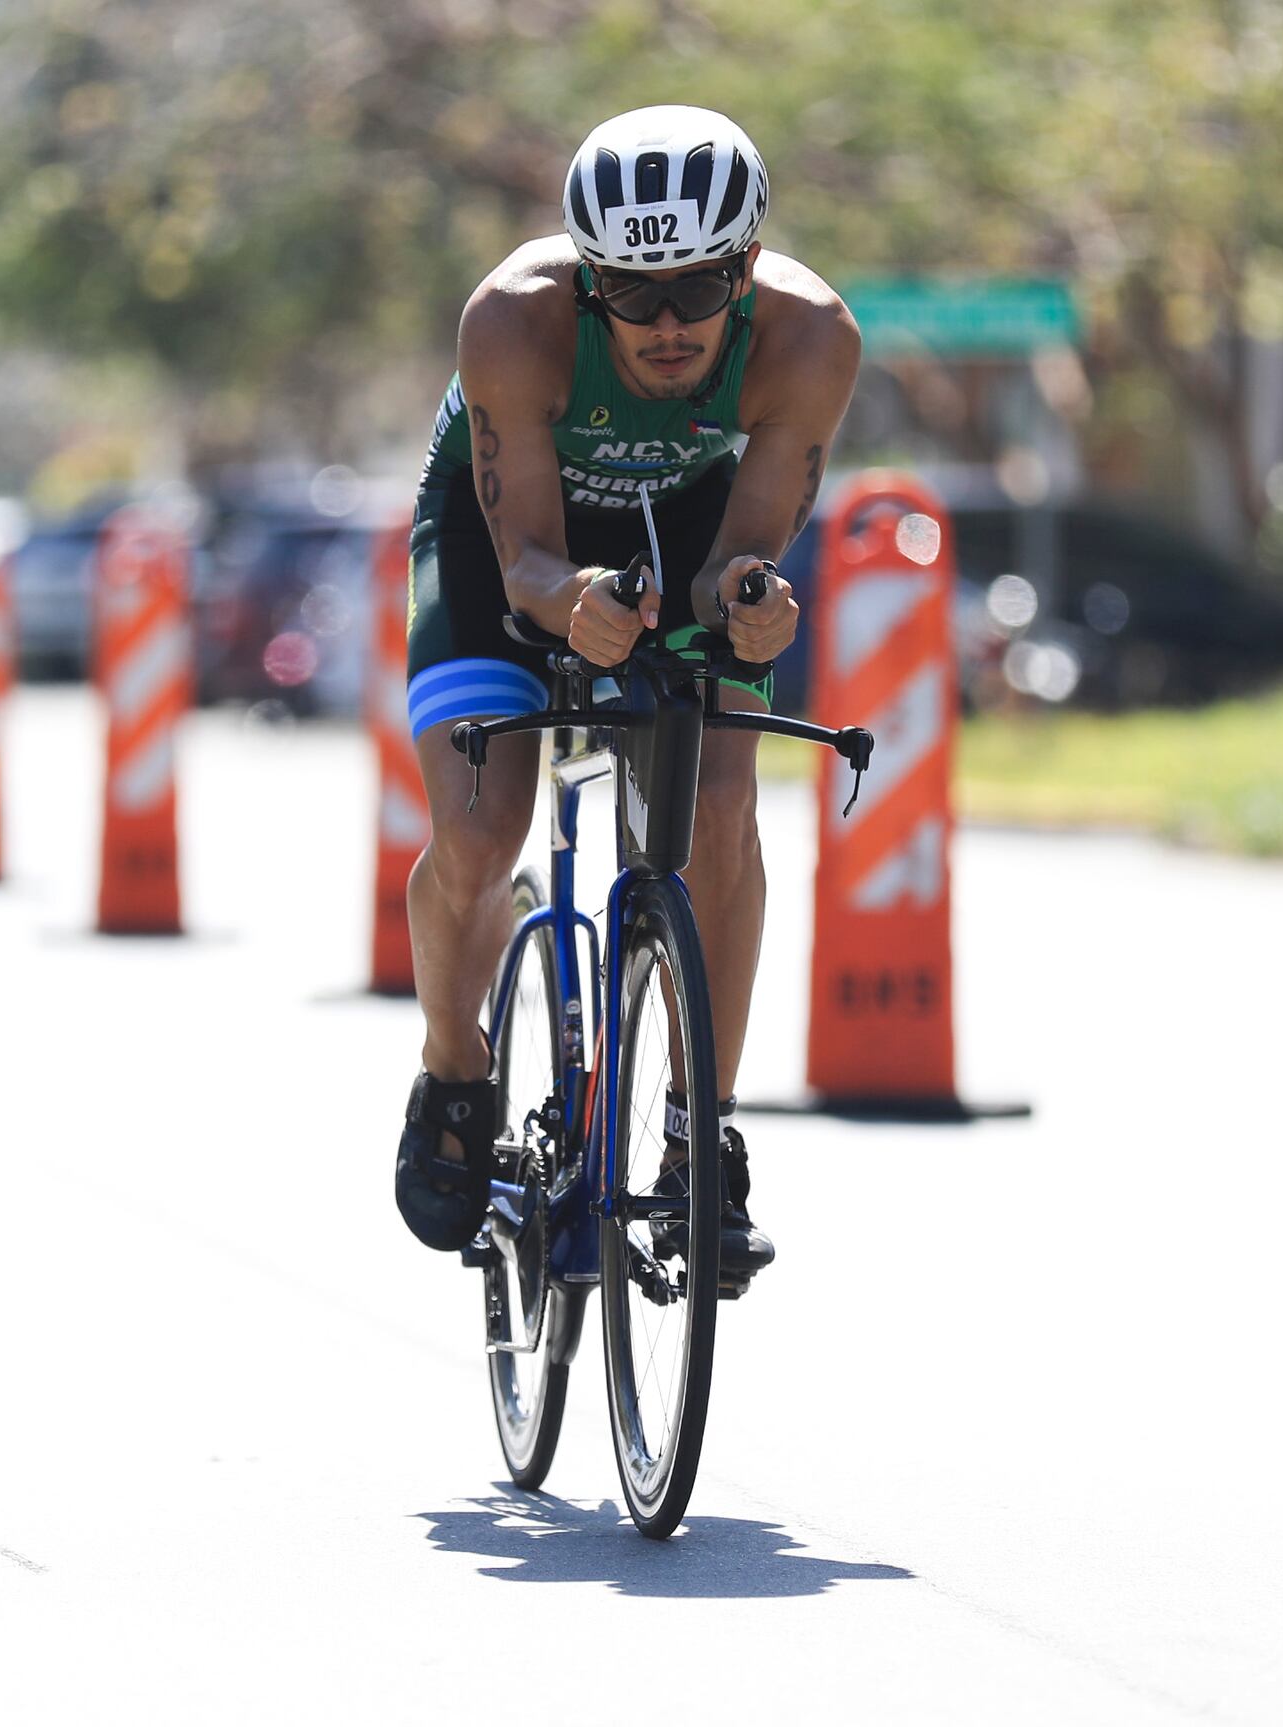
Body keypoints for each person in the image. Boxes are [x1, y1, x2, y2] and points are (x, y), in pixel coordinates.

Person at [391, 106, 860, 1283]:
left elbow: (737, 556)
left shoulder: (809, 338)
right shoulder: (514, 318)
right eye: (628, 290)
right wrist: (573, 603)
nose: (660, 323)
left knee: (718, 805)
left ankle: (705, 1132)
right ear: (585, 273)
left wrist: (753, 600)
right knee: (480, 822)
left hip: (688, 530)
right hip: (509, 536)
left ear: (746, 267)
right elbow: (529, 564)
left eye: (697, 290)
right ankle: (453, 1066)